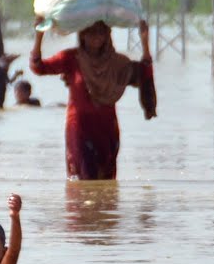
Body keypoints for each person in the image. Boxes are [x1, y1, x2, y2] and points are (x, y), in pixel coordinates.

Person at [29, 18, 156, 180]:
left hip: (107, 129)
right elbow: (38, 67)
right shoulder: (71, 58)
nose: (96, 37)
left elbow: (143, 74)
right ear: (82, 35)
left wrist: (145, 42)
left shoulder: (118, 63)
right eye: (90, 32)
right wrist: (39, 36)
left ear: (107, 35)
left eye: (101, 32)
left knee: (107, 185)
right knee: (81, 182)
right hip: (80, 129)